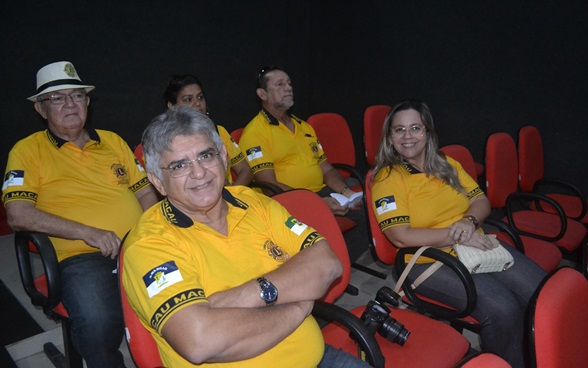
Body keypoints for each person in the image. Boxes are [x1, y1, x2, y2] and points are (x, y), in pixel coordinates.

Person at [121, 106, 372, 367]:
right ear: (158, 181)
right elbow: (200, 341)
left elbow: (327, 264)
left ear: (223, 156)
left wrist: (252, 294)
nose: (199, 173)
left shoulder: (252, 201)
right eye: (179, 165)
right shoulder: (149, 243)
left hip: (318, 358)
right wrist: (298, 305)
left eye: (205, 155)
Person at [2, 61, 158, 368]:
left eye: (77, 96)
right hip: (82, 256)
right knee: (99, 323)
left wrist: (155, 229)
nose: (70, 104)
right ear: (41, 109)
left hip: (139, 246)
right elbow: (17, 214)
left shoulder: (112, 141)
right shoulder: (27, 151)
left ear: (87, 102)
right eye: (57, 98)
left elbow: (144, 192)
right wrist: (88, 233)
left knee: (184, 295)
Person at [369, 100, 546, 368]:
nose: (407, 136)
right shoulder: (386, 179)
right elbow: (400, 237)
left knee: (539, 289)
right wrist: (459, 235)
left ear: (427, 132)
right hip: (427, 262)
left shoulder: (446, 163)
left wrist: (468, 221)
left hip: (473, 245)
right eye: (399, 130)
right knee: (503, 309)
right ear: (390, 138)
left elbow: (481, 201)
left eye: (415, 128)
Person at [238, 65, 367, 260]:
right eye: (280, 84)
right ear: (262, 94)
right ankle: (325, 264)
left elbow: (326, 169)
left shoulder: (304, 127)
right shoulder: (255, 132)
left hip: (318, 193)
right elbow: (268, 185)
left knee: (368, 212)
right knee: (324, 226)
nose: (288, 88)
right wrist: (316, 203)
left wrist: (346, 192)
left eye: (289, 83)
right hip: (287, 202)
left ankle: (337, 263)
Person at [164, 74, 253, 186]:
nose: (197, 103)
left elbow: (245, 171)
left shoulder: (218, 131)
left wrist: (231, 193)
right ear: (172, 106)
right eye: (188, 99)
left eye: (200, 97)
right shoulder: (164, 142)